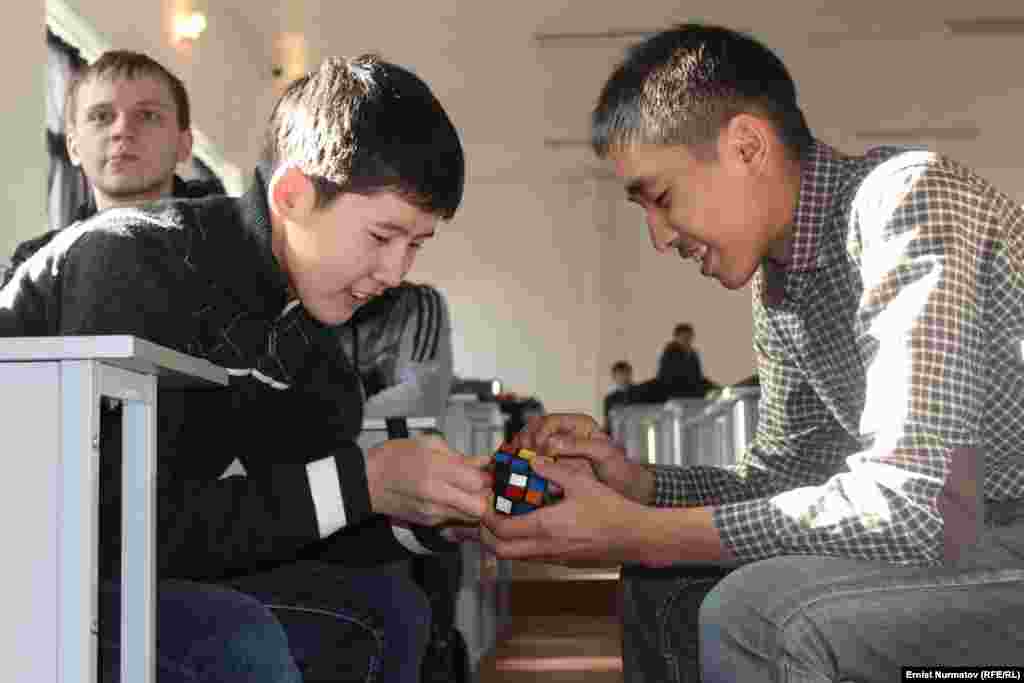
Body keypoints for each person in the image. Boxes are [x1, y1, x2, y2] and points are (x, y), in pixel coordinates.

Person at [481, 23, 1024, 683]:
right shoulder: (782, 287)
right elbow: (786, 483)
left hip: (995, 537)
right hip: (972, 542)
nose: (658, 238)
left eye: (662, 198)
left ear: (745, 146)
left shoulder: (908, 201)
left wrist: (639, 531)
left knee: (754, 614)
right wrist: (639, 486)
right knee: (666, 588)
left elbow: (917, 508)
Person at [1, 52, 491, 683]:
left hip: (128, 553)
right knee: (236, 639)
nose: (397, 273)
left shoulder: (305, 329)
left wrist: (432, 515)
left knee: (392, 609)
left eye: (415, 245)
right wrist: (364, 481)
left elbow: (299, 511)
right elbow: (110, 532)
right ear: (291, 195)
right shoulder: (132, 262)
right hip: (39, 568)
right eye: (380, 237)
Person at [2, 50, 224, 288]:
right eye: (101, 116)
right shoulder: (35, 268)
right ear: (73, 147)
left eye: (147, 115)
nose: (122, 130)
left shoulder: (237, 241)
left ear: (184, 144)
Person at [656, 323, 710, 398]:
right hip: (674, 389)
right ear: (676, 338)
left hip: (691, 387)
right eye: (684, 338)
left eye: (689, 337)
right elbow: (667, 377)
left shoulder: (693, 353)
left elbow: (698, 375)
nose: (687, 340)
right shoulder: (669, 353)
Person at [603, 359, 633, 435]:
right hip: (616, 433)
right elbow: (608, 421)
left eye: (625, 373)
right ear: (614, 377)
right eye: (619, 374)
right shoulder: (610, 398)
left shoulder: (639, 394)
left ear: (630, 374)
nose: (622, 377)